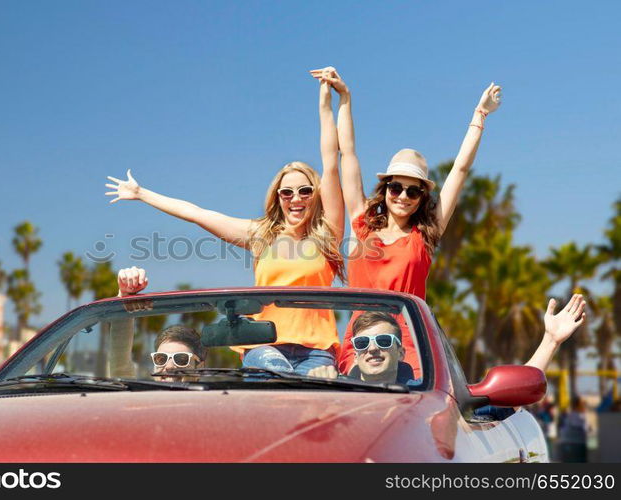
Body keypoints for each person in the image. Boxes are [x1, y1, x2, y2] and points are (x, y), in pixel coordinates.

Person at [105, 104, 347, 374]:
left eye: (305, 191)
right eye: (286, 192)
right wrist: (142, 193)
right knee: (278, 373)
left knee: (316, 400)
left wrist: (326, 102)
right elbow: (196, 213)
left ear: (316, 195)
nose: (296, 198)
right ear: (277, 198)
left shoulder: (327, 238)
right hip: (264, 347)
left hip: (316, 352)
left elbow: (331, 164)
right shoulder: (261, 237)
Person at [310, 67, 502, 376]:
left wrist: (480, 115)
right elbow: (347, 154)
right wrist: (344, 99)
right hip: (360, 343)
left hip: (410, 348)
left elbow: (460, 172)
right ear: (385, 190)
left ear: (422, 197)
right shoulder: (363, 225)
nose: (403, 196)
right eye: (396, 187)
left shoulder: (424, 236)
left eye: (413, 191)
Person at [308, 295, 586, 397]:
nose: (372, 349)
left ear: (401, 351)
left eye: (383, 341)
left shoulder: (435, 396)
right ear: (354, 351)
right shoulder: (331, 389)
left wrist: (551, 340)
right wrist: (313, 389)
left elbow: (509, 400)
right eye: (363, 343)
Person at [109, 266, 206, 379]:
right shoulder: (138, 397)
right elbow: (120, 368)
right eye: (161, 359)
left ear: (199, 368)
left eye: (181, 359)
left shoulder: (220, 396)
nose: (169, 367)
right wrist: (125, 296)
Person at [557, 395, 591, 462]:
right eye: (583, 404)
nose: (584, 406)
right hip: (574, 445)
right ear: (579, 405)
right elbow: (585, 429)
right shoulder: (577, 416)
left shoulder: (572, 415)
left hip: (569, 444)